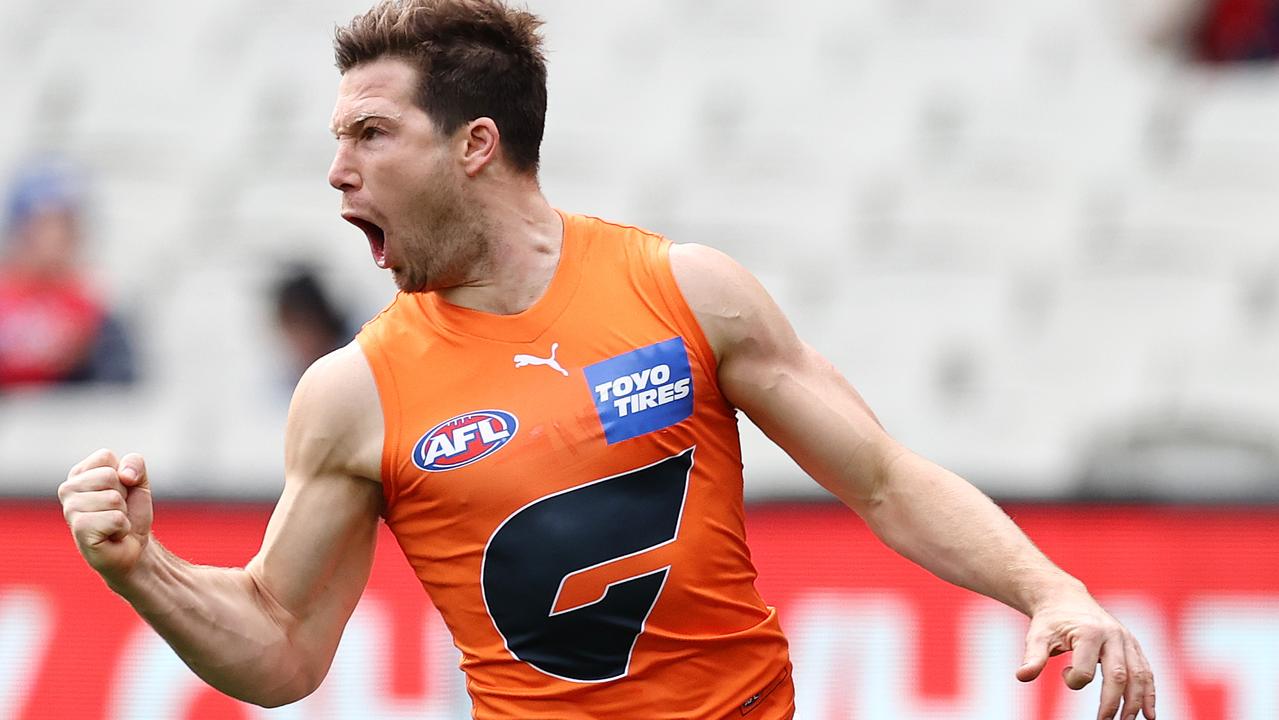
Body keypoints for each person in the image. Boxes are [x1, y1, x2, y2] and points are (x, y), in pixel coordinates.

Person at [57, 1, 1156, 718]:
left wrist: (1047, 587)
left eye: (372, 135)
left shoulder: (684, 291)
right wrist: (139, 569)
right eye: (336, 141)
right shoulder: (354, 392)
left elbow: (881, 476)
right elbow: (283, 650)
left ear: (475, 146)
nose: (336, 171)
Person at [0, 158, 135, 389]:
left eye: (65, 227)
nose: (55, 239)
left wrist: (80, 359)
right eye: (44, 226)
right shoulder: (6, 298)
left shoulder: (93, 311)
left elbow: (120, 387)